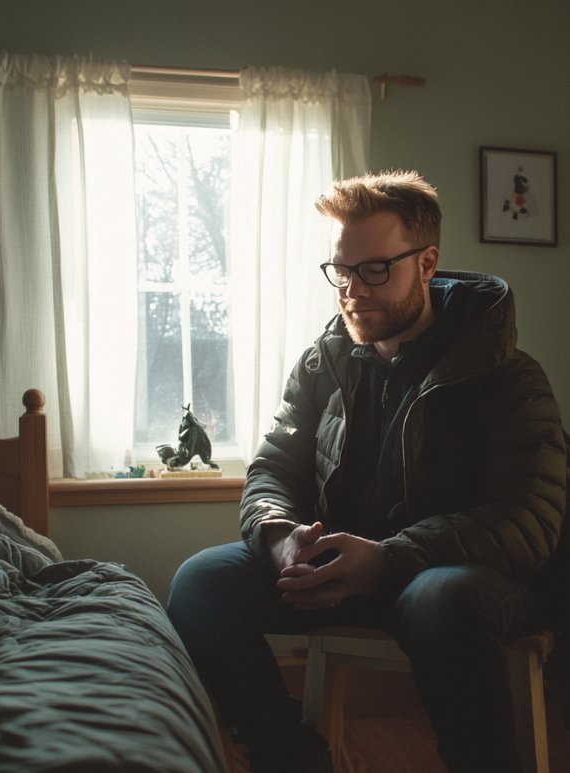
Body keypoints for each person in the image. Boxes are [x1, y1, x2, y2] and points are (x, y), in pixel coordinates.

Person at [167, 170, 567, 773]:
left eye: (375, 269)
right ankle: (291, 757)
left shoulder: (506, 376)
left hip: (452, 581)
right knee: (200, 583)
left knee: (443, 599)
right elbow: (273, 466)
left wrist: (390, 559)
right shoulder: (322, 363)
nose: (353, 289)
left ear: (427, 263)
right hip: (341, 571)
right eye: (341, 271)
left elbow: (528, 522)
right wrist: (278, 537)